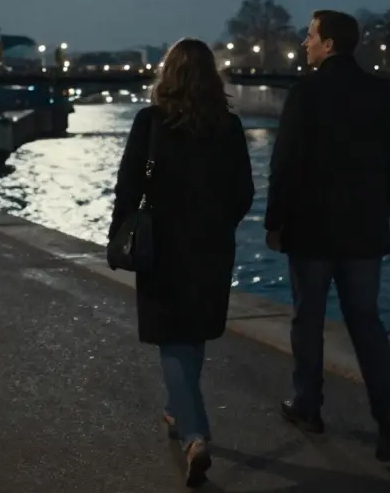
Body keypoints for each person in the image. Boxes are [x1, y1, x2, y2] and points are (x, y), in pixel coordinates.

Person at [264, 9, 390, 462]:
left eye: (310, 36)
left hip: (311, 231)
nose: (305, 43)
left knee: (307, 321)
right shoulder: (381, 94)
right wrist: (376, 209)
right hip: (365, 234)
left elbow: (284, 166)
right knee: (366, 324)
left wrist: (275, 223)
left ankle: (307, 405)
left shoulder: (305, 94)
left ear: (328, 44)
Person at [109, 38, 254, 488]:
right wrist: (219, 223)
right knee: (192, 332)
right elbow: (244, 192)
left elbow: (128, 186)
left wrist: (119, 233)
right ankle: (178, 408)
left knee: (171, 337)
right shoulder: (227, 126)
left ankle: (194, 435)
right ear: (212, 77)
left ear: (167, 75)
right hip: (211, 244)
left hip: (162, 244)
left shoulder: (150, 122)